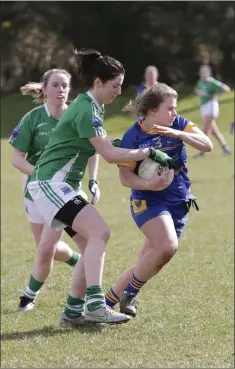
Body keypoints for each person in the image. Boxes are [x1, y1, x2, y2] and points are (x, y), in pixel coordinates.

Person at [26, 49, 175, 326]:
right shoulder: (86, 108)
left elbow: (105, 146)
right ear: (98, 82)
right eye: (114, 86)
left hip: (62, 186)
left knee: (89, 243)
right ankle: (96, 305)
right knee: (100, 232)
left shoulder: (93, 106)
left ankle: (72, 313)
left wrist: (134, 151)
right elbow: (108, 154)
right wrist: (148, 153)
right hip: (50, 183)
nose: (118, 91)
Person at [105, 83, 213, 317]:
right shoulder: (133, 136)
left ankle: (105, 304)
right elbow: (125, 178)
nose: (175, 113)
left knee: (148, 261)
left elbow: (207, 145)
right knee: (167, 246)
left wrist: (179, 133)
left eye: (175, 109)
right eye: (170, 108)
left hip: (178, 201)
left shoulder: (178, 123)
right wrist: (149, 184)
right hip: (148, 201)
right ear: (152, 111)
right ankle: (130, 294)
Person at [9, 68, 101, 312]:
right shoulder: (33, 118)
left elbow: (93, 149)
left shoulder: (76, 114)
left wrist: (94, 180)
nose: (62, 90)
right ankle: (79, 262)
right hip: (35, 190)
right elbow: (16, 159)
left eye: (65, 86)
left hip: (65, 191)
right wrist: (40, 175)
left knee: (47, 247)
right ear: (45, 89)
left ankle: (29, 296)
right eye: (56, 85)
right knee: (45, 247)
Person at [194, 64, 231, 157]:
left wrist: (216, 94)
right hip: (204, 106)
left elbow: (226, 89)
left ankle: (203, 150)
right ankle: (225, 148)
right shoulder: (200, 82)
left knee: (206, 129)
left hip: (211, 106)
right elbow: (196, 90)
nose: (203, 74)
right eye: (202, 72)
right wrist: (200, 93)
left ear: (209, 73)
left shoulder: (212, 82)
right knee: (214, 131)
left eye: (205, 72)